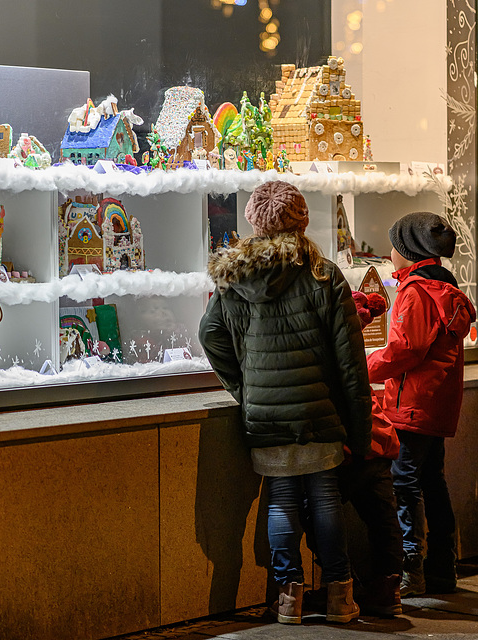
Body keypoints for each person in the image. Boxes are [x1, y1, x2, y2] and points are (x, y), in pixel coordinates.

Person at [199, 180, 372, 625]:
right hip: (319, 411)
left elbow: (210, 334)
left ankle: (288, 602)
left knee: (280, 500)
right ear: (302, 220)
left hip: (267, 414)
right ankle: (339, 597)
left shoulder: (234, 277)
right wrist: (360, 428)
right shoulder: (323, 273)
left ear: (254, 222)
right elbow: (351, 362)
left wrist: (244, 388)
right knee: (326, 499)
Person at [367, 212, 476, 597]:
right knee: (434, 482)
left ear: (409, 251)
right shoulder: (446, 288)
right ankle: (442, 567)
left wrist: (362, 366)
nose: (389, 254)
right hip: (437, 405)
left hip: (411, 405)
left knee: (404, 484)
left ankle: (411, 570)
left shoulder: (417, 292)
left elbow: (404, 350)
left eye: (394, 246)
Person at [302, 291, 403, 618]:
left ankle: (343, 586)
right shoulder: (349, 335)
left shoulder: (325, 338)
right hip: (376, 439)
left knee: (316, 510)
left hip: (350, 442)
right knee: (383, 517)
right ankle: (387, 588)